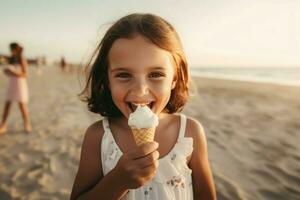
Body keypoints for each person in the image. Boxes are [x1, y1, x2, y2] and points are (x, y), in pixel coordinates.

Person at [70, 13, 216, 200]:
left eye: (155, 74)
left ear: (175, 78)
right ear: (107, 80)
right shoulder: (98, 137)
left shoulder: (190, 132)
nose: (140, 91)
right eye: (123, 75)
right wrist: (117, 181)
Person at [0, 42, 32, 134]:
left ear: (16, 49)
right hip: (12, 83)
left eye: (12, 49)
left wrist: (14, 73)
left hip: (20, 84)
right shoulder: (12, 59)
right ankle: (3, 125)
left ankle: (27, 124)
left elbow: (25, 74)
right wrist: (7, 72)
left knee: (22, 106)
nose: (11, 51)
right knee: (7, 105)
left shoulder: (22, 59)